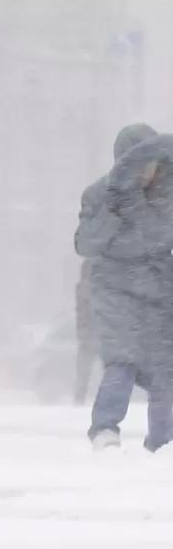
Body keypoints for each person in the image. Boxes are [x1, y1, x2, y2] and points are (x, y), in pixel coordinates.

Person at [75, 124, 173, 452]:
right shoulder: (101, 195)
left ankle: (163, 442)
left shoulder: (167, 196)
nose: (148, 171)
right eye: (140, 163)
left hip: (160, 289)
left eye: (153, 163)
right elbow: (87, 244)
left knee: (166, 369)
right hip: (116, 289)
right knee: (122, 361)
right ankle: (105, 430)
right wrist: (113, 212)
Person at [73, 259, 98, 405]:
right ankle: (80, 398)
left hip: (86, 336)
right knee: (109, 372)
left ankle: (79, 398)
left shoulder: (81, 288)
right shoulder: (90, 289)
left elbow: (81, 315)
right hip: (96, 335)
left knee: (83, 372)